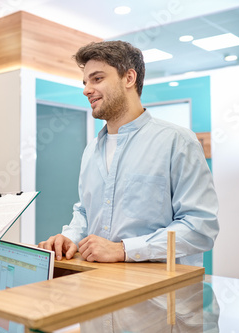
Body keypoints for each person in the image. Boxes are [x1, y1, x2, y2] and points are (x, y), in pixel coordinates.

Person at [38, 41, 219, 266]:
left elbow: (200, 228)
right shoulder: (91, 150)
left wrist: (125, 250)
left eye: (97, 79)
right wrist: (70, 237)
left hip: (160, 295)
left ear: (129, 78)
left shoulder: (178, 142)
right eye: (85, 82)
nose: (86, 90)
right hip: (100, 285)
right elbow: (84, 212)